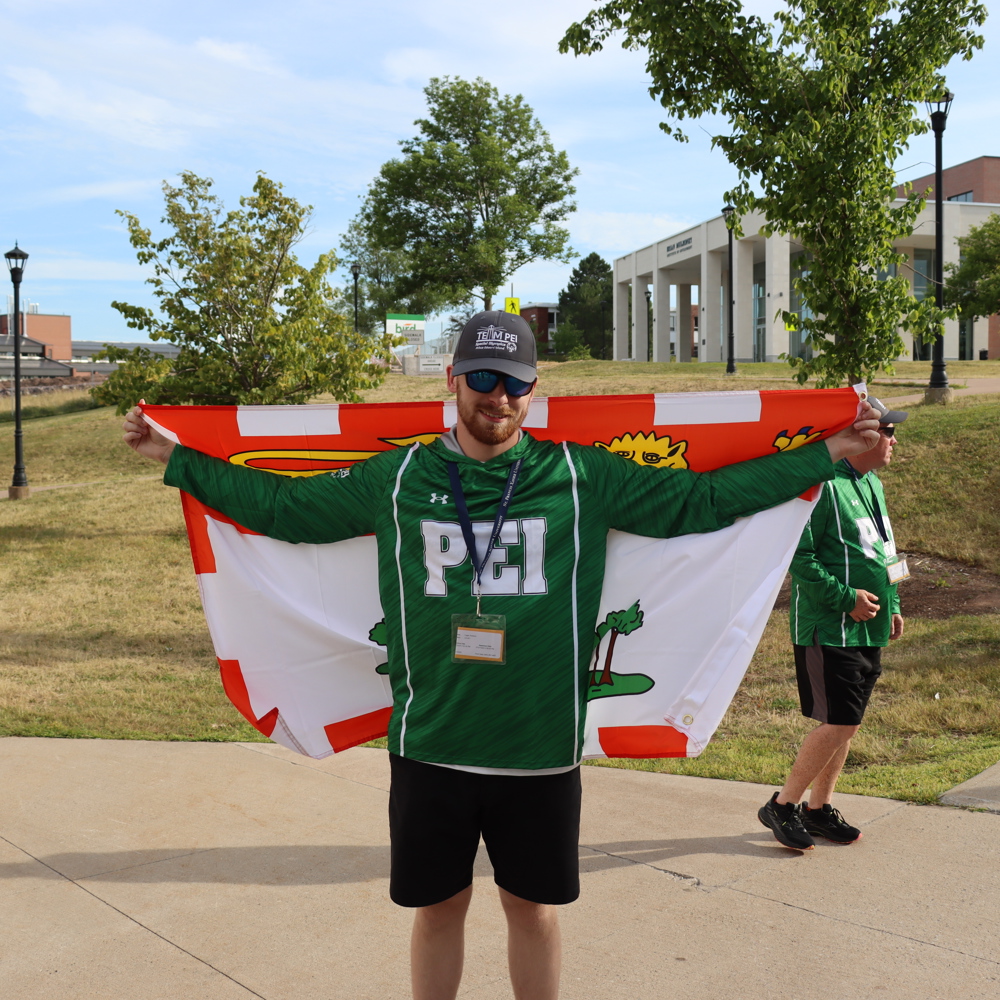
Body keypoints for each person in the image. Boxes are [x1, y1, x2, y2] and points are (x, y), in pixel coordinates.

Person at [123, 310, 881, 1000]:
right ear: (453, 381)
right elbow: (284, 511)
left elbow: (703, 502)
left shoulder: (580, 476)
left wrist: (829, 454)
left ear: (533, 389)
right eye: (481, 379)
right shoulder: (403, 478)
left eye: (513, 382)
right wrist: (177, 458)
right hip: (432, 746)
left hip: (539, 749)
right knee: (437, 911)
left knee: (533, 911)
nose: (497, 396)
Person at [758, 396, 907, 852]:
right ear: (860, 437)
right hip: (830, 627)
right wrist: (845, 599)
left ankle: (818, 810)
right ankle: (782, 806)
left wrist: (894, 599)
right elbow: (797, 558)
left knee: (850, 721)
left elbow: (885, 549)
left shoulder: (873, 484)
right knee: (839, 721)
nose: (893, 440)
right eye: (887, 431)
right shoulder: (819, 485)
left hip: (869, 626)